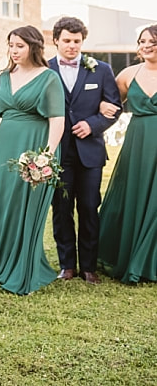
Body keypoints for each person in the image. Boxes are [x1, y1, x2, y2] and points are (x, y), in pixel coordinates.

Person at [0, 26, 65, 295]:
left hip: (36, 147)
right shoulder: (3, 76)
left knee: (25, 205)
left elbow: (57, 120)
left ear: (33, 47)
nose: (14, 50)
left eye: (20, 46)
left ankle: (21, 266)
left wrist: (46, 156)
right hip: (5, 146)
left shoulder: (48, 78)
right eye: (11, 45)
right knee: (2, 202)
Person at [48, 16, 121, 284]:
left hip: (90, 152)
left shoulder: (100, 70)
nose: (72, 46)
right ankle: (67, 265)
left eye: (77, 41)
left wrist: (93, 124)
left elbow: (114, 108)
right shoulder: (45, 69)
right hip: (58, 153)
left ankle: (89, 266)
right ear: (55, 40)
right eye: (67, 41)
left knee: (90, 207)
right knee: (61, 208)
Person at [98, 25, 157, 283]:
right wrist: (101, 104)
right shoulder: (127, 75)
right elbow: (112, 104)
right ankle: (130, 255)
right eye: (142, 41)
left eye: (152, 41)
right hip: (138, 142)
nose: (146, 45)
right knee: (135, 195)